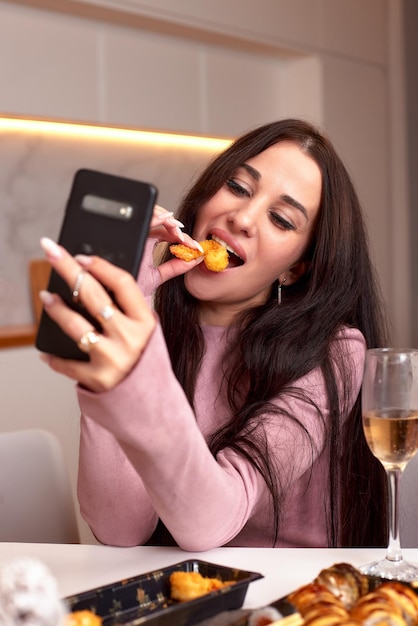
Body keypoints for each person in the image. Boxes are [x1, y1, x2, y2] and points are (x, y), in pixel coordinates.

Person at [39, 118, 389, 550]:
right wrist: (128, 310)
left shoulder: (335, 351)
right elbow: (120, 529)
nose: (242, 217)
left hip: (291, 602)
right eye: (238, 188)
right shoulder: (153, 329)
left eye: (281, 218)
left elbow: (209, 524)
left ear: (295, 268)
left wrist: (136, 373)